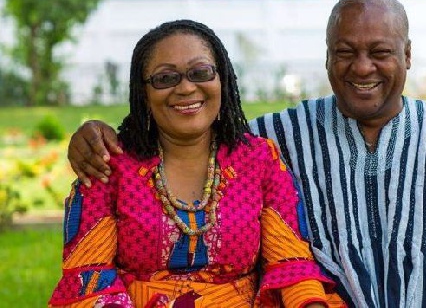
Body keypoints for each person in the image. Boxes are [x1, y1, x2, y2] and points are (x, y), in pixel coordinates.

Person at [67, 0, 426, 307]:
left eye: (381, 51)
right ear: (327, 56)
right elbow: (192, 129)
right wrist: (91, 135)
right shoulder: (273, 140)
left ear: (407, 55)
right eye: (345, 51)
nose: (362, 67)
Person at [49, 19, 345, 308]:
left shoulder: (259, 159)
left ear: (222, 80)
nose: (186, 88)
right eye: (166, 78)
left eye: (200, 72)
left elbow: (290, 264)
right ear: (144, 93)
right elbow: (89, 275)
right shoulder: (108, 165)